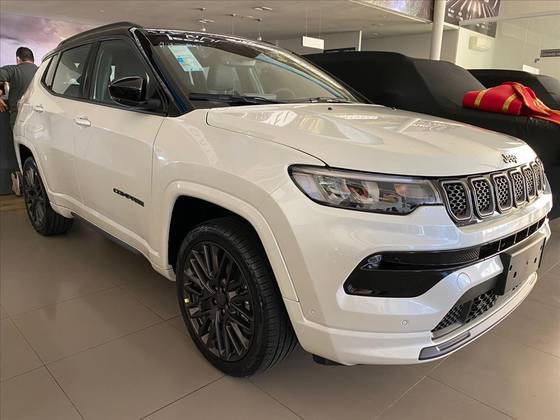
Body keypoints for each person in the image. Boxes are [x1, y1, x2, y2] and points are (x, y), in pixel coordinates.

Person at [0, 47, 38, 128]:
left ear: (18, 59)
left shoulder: (13, 69)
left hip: (18, 119)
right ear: (33, 59)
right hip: (39, 118)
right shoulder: (42, 71)